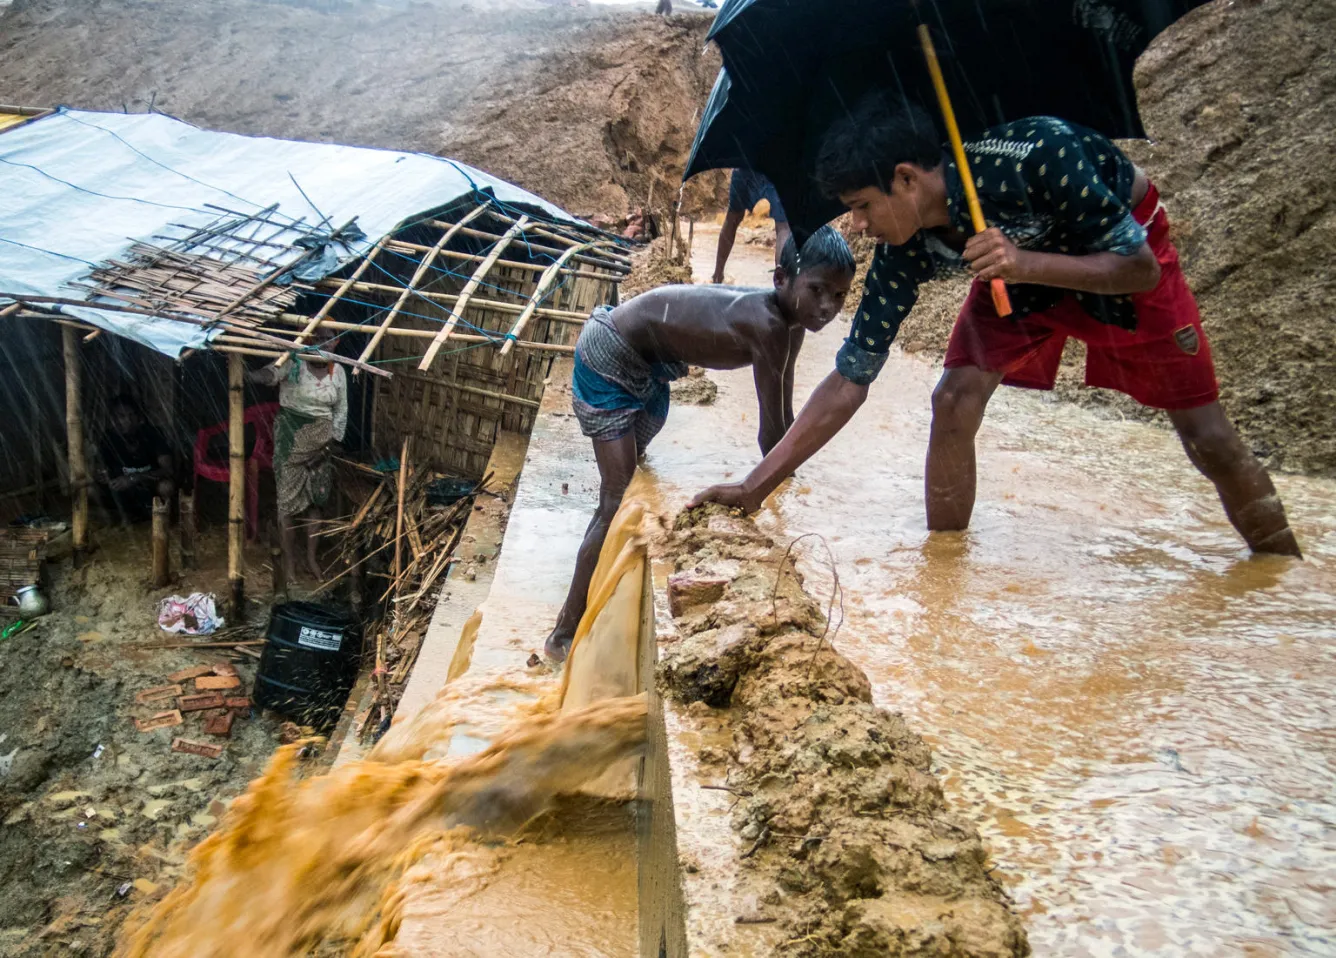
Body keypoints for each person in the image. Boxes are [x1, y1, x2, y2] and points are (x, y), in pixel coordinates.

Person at [693, 96, 1300, 557]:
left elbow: (1139, 268)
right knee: (953, 399)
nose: (858, 225)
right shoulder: (904, 249)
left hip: (1113, 261)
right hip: (1013, 274)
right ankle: (945, 569)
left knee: (1204, 432)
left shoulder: (1040, 152)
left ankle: (1280, 570)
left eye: (861, 206)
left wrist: (1025, 261)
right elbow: (850, 378)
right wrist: (754, 487)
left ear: (907, 178)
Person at [545, 226, 856, 661]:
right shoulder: (769, 325)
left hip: (651, 365)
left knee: (635, 471)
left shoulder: (792, 325)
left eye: (840, 296)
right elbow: (770, 435)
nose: (827, 307)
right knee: (616, 496)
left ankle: (611, 579)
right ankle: (562, 633)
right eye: (817, 290)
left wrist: (791, 477)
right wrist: (795, 506)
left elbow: (785, 420)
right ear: (781, 279)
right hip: (611, 353)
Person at [249, 339, 348, 583]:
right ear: (310, 340)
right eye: (321, 338)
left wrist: (330, 445)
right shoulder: (293, 362)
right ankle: (290, 562)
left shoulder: (338, 370)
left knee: (316, 502)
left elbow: (341, 410)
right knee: (287, 504)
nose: (327, 343)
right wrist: (250, 376)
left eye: (332, 338)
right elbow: (271, 374)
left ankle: (312, 559)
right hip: (291, 441)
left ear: (337, 342)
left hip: (322, 445)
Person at [95, 394, 175, 525]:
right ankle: (124, 517)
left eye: (131, 415)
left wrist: (134, 478)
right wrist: (103, 475)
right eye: (121, 416)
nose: (127, 420)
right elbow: (101, 467)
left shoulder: (152, 434)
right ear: (114, 419)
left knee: (166, 486)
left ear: (139, 418)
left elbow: (168, 470)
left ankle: (163, 519)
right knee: (90, 489)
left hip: (149, 486)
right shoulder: (108, 438)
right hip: (123, 490)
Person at [713, 169, 794, 283]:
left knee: (732, 219)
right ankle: (780, 282)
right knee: (783, 228)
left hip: (745, 167)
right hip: (778, 170)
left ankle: (717, 275)